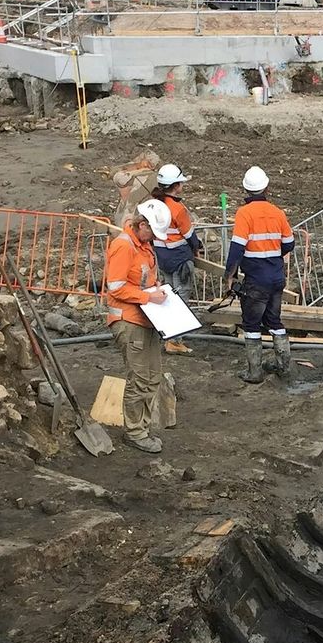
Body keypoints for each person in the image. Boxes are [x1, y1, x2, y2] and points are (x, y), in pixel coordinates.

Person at [105, 199, 170, 453]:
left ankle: (140, 427)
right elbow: (116, 287)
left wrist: (156, 293)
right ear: (142, 225)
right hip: (129, 321)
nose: (154, 237)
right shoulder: (124, 246)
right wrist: (148, 297)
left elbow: (145, 279)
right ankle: (135, 431)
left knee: (152, 376)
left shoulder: (142, 245)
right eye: (152, 232)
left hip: (146, 319)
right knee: (141, 378)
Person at [224, 167, 296, 385]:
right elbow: (289, 243)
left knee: (252, 324)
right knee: (274, 320)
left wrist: (230, 275)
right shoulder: (278, 212)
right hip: (275, 276)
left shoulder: (244, 214)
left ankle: (254, 372)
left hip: (256, 279)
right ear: (266, 187)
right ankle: (283, 366)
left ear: (245, 189)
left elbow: (237, 248)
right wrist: (272, 256)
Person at [151, 163, 202, 297]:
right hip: (180, 258)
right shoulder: (177, 208)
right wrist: (196, 249)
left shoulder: (155, 205)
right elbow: (189, 235)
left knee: (168, 293)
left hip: (162, 257)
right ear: (175, 186)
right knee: (182, 293)